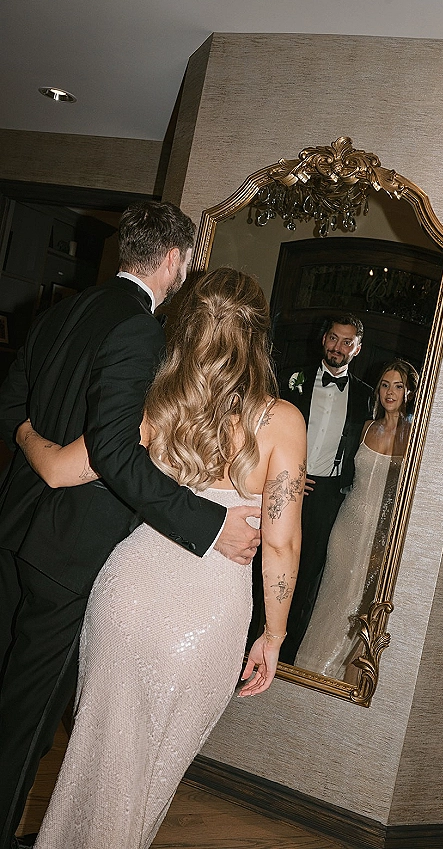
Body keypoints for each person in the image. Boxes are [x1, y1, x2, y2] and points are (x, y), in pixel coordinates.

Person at [14, 267, 306, 848]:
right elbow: (280, 541)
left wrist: (22, 429)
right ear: (259, 336)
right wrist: (273, 636)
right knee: (148, 778)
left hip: (127, 593)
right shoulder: (282, 422)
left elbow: (63, 469)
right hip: (208, 614)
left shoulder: (161, 405)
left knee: (93, 762)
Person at [296, 359, 419, 678]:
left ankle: (339, 674)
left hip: (383, 532)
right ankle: (309, 668)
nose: (390, 392)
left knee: (360, 602)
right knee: (332, 595)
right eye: (385, 384)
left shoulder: (416, 437)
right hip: (347, 524)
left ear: (409, 393)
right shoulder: (365, 427)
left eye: (398, 386)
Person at [277, 315, 373, 664]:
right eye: (334, 338)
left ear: (357, 349)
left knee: (309, 573)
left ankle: (286, 654)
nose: (338, 346)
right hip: (286, 485)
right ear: (324, 340)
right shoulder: (291, 378)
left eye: (347, 342)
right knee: (268, 558)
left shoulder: (366, 395)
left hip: (330, 495)